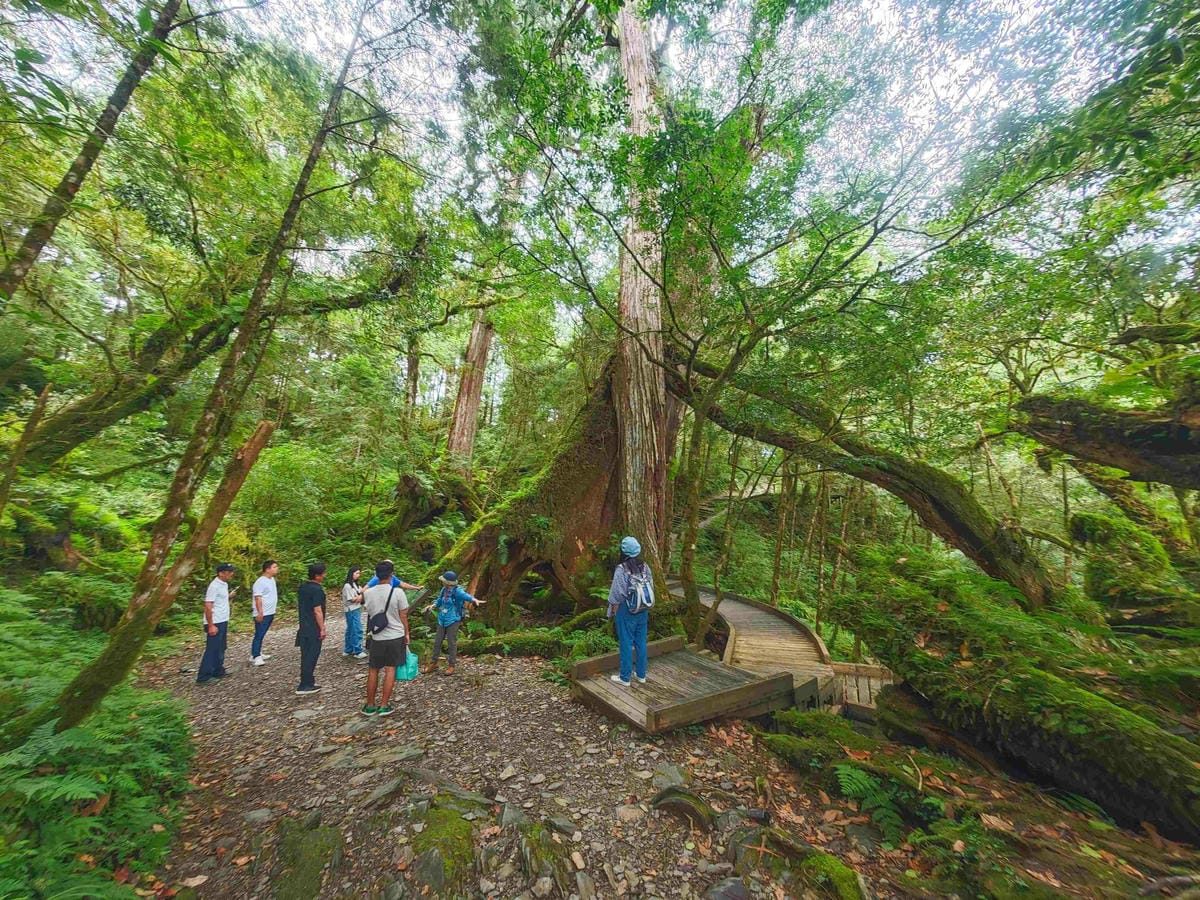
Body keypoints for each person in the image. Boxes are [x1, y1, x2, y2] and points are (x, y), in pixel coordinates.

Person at [361, 560, 409, 716]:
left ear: (376, 575)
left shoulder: (368, 593)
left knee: (373, 670)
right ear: (391, 575)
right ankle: (384, 705)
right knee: (390, 669)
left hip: (377, 637)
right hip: (395, 635)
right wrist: (407, 633)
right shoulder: (398, 592)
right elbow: (403, 615)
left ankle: (369, 705)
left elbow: (369, 610)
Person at [606, 536, 650, 687]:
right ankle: (641, 674)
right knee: (641, 641)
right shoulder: (645, 567)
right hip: (643, 609)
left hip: (626, 609)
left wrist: (612, 608)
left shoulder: (622, 569)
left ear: (623, 551)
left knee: (626, 642)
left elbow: (616, 593)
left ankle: (625, 677)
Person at [423, 571, 484, 676]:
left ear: (448, 582)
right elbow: (439, 600)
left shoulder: (457, 591)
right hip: (442, 618)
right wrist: (433, 606)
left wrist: (475, 600)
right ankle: (433, 663)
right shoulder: (444, 589)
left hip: (453, 619)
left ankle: (451, 665)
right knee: (437, 642)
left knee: (452, 642)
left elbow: (467, 596)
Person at [197, 563, 237, 684]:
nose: (231, 574)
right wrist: (210, 625)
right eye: (229, 572)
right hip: (215, 622)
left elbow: (219, 600)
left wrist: (229, 597)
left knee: (221, 647)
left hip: (223, 620)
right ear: (221, 573)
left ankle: (218, 670)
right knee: (212, 649)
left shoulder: (223, 584)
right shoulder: (214, 586)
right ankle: (203, 677)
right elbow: (208, 605)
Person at [295, 562, 327, 695]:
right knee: (312, 655)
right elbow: (317, 610)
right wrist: (322, 628)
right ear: (318, 575)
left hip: (303, 625)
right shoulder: (317, 590)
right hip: (313, 627)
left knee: (305, 654)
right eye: (323, 573)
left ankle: (308, 681)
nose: (325, 575)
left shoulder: (302, 587)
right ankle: (305, 684)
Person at [250, 559, 279, 666]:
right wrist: (260, 612)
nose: (277, 569)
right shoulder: (260, 582)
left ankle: (257, 652)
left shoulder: (272, 580)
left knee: (262, 634)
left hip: (270, 611)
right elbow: (258, 598)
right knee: (259, 633)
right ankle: (255, 656)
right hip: (263, 613)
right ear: (267, 569)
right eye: (274, 567)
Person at [342, 566, 367, 660]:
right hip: (351, 610)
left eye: (359, 573)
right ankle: (357, 651)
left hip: (356, 609)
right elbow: (353, 599)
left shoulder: (356, 584)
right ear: (351, 573)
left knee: (350, 629)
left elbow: (362, 591)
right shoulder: (347, 586)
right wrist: (361, 595)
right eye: (356, 573)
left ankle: (348, 649)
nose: (358, 575)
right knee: (357, 629)